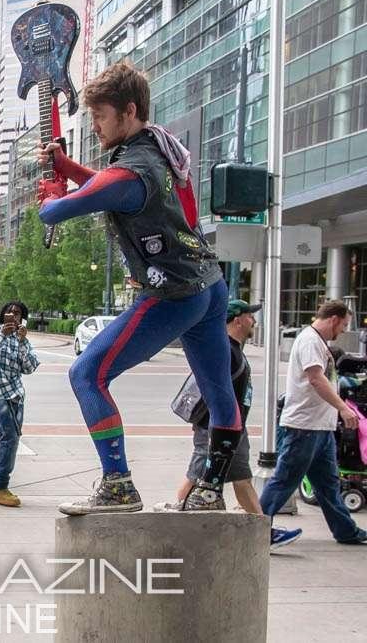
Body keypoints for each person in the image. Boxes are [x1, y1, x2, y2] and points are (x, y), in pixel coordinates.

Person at [37, 62, 239, 515]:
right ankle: (209, 492)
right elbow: (107, 187)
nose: (95, 125)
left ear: (128, 111)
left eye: (101, 116)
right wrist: (66, 167)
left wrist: (50, 194)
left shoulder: (130, 171)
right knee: (218, 391)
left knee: (86, 374)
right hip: (209, 283)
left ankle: (118, 486)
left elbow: (57, 212)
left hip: (173, 294)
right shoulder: (157, 151)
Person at [260, 300, 367, 546]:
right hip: (304, 427)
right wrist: (343, 408)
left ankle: (346, 531)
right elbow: (316, 379)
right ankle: (257, 531)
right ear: (334, 319)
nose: (343, 331)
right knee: (284, 480)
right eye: (344, 325)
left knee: (328, 485)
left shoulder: (318, 342)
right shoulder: (310, 341)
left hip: (320, 428)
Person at [155, 300, 264, 517]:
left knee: (241, 479)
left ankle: (264, 527)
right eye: (250, 316)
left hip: (234, 429)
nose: (254, 320)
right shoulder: (225, 351)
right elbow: (209, 388)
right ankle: (177, 517)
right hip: (216, 429)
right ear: (238, 320)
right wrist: (205, 424)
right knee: (197, 478)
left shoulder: (233, 349)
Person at [0, 301, 39, 507]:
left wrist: (22, 341)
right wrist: (2, 334)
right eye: (9, 312)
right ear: (3, 315)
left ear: (22, 318)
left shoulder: (21, 339)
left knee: (13, 439)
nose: (13, 315)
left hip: (16, 395)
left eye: (17, 313)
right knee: (9, 437)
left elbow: (29, 368)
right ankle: (0, 486)